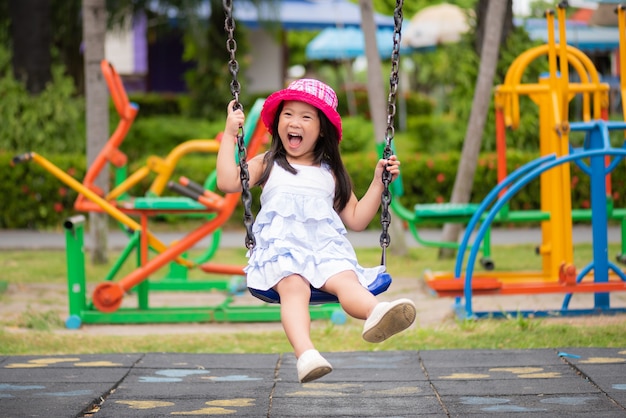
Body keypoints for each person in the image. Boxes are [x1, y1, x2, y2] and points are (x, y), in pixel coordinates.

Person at [217, 79, 416, 383]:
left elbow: (357, 218)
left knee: (347, 280)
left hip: (324, 252)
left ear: (321, 129)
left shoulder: (331, 174)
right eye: (288, 114)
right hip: (282, 253)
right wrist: (231, 135)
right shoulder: (267, 164)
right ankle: (306, 354)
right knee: (294, 288)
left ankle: (377, 314)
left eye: (305, 116)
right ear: (278, 122)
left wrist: (379, 182)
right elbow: (228, 182)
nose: (294, 122)